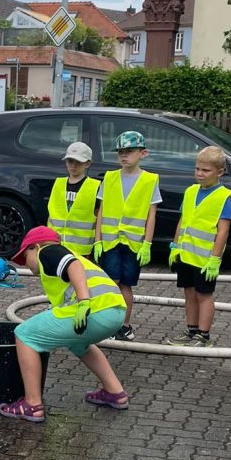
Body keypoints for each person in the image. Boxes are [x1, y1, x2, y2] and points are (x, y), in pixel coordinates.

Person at [0, 226, 128, 423]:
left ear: (35, 247)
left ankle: (32, 404)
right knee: (78, 343)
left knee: (25, 334)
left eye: (25, 257)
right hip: (115, 311)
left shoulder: (47, 252)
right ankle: (115, 392)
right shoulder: (65, 254)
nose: (26, 265)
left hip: (93, 310)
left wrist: (84, 301)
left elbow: (73, 266)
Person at [165, 147, 231, 348]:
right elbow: (183, 220)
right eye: (197, 169)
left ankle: (204, 336)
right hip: (186, 255)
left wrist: (215, 258)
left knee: (204, 296)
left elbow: (223, 231)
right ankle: (192, 330)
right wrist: (175, 245)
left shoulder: (224, 197)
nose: (199, 174)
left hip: (205, 259)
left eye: (206, 170)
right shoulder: (190, 191)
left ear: (219, 172)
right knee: (189, 292)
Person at [95, 130, 161, 340]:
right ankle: (108, 324)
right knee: (111, 282)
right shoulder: (110, 177)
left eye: (129, 151)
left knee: (126, 284)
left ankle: (124, 325)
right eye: (120, 152)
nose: (124, 156)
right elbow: (102, 211)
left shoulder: (150, 180)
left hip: (133, 243)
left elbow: (152, 214)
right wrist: (97, 241)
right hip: (110, 241)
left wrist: (147, 243)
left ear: (143, 153)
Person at [46, 141, 101, 257]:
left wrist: (98, 242)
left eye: (78, 162)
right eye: (70, 161)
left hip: (82, 251)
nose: (73, 165)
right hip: (56, 246)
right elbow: (51, 216)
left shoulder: (94, 186)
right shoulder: (58, 184)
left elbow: (98, 218)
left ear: (87, 164)